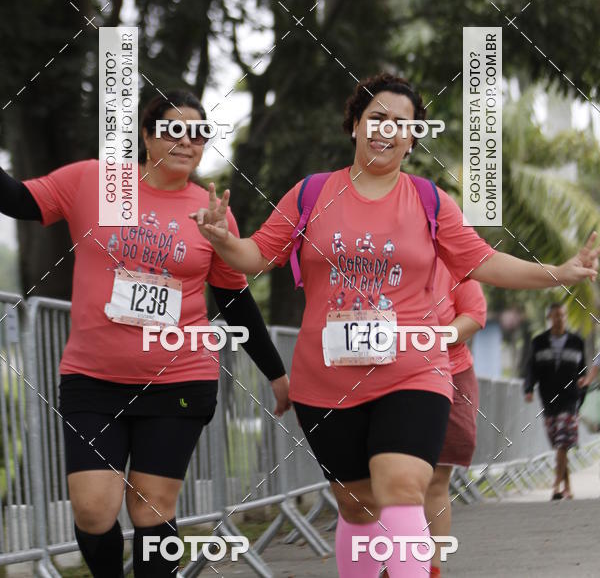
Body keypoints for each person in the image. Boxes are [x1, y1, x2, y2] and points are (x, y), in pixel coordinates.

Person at [189, 72, 598, 577]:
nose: (388, 130)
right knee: (357, 506)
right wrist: (222, 241)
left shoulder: (430, 202)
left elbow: (485, 262)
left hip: (413, 372)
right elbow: (255, 255)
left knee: (403, 488)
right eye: (377, 118)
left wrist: (560, 271)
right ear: (355, 126)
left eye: (401, 123)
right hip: (327, 382)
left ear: (413, 137)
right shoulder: (312, 194)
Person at [0, 89, 290, 577]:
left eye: (198, 132)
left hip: (179, 376)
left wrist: (276, 373)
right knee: (94, 510)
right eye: (173, 129)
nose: (186, 140)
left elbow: (234, 300)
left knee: (152, 507)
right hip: (93, 378)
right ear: (147, 135)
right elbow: (16, 200)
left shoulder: (210, 209)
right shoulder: (93, 181)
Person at [424, 263, 486, 578]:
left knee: (435, 478)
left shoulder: (452, 263)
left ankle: (432, 568)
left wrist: (431, 338)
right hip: (391, 376)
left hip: (451, 374)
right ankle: (394, 562)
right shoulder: (384, 256)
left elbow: (475, 313)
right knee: (391, 479)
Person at [524, 302, 587, 500]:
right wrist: (528, 388)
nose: (559, 319)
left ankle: (556, 486)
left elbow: (582, 371)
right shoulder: (539, 342)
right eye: (556, 316)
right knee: (559, 443)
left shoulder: (577, 341)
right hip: (549, 400)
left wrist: (581, 399)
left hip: (570, 399)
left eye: (562, 315)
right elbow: (531, 369)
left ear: (566, 317)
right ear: (549, 318)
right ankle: (567, 485)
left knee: (562, 440)